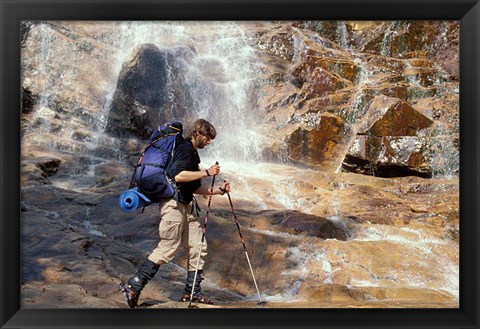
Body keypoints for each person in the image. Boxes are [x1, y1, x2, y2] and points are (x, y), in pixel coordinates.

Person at [120, 119, 230, 308]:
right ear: (197, 133)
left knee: (198, 246)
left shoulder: (192, 154)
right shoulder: (184, 148)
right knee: (168, 247)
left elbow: (193, 186)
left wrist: (218, 190)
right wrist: (207, 172)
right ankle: (134, 285)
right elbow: (178, 176)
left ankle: (192, 292)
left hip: (187, 205)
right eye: (208, 137)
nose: (210, 142)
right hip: (173, 205)